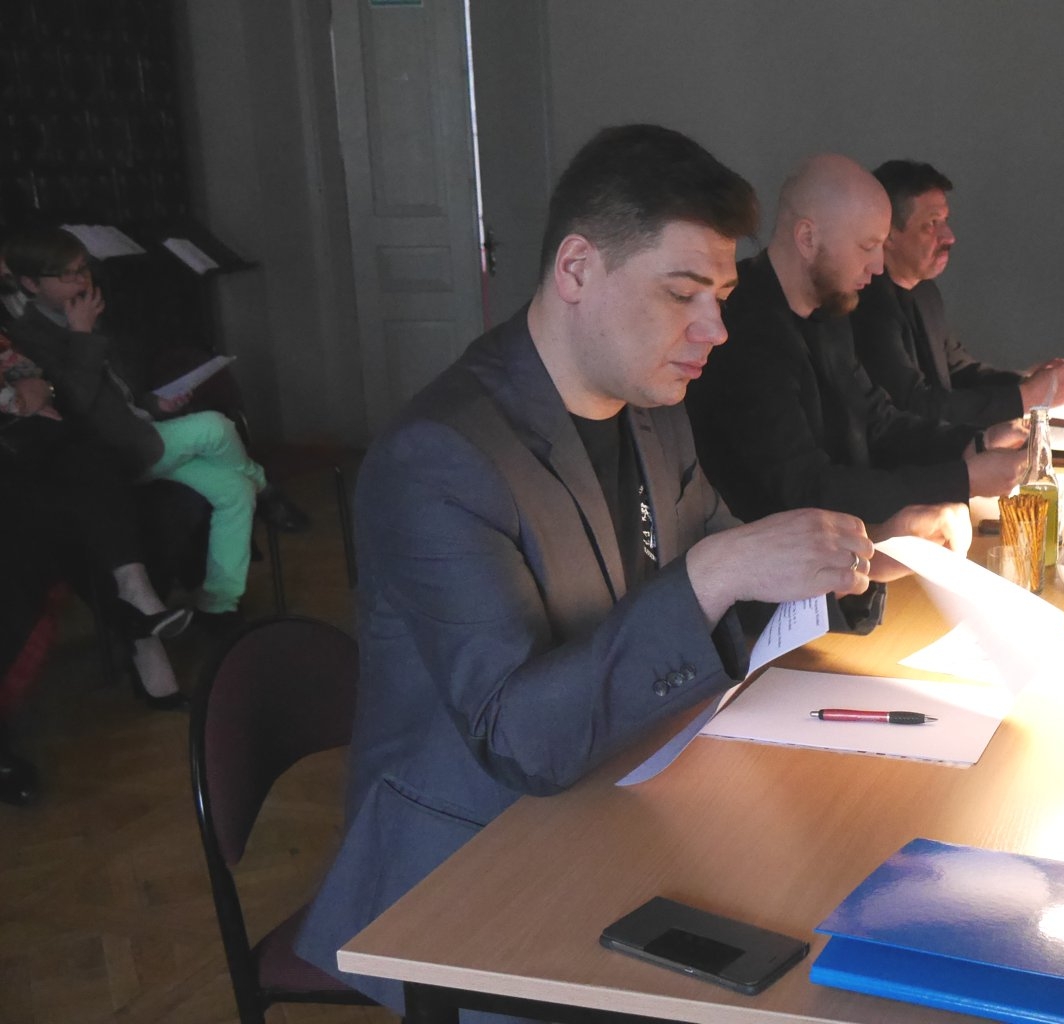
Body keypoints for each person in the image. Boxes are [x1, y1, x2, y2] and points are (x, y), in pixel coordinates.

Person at [294, 125, 965, 1013]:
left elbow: (733, 577)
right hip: (464, 865)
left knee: (838, 905)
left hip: (620, 775)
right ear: (577, 269)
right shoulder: (441, 457)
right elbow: (518, 739)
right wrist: (712, 574)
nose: (714, 330)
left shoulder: (649, 405)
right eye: (682, 293)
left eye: (722, 296)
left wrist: (867, 559)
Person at [687, 154, 1026, 524]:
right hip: (770, 549)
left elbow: (877, 421)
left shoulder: (829, 307)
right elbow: (805, 487)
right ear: (807, 238)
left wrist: (975, 443)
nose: (878, 266)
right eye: (867, 247)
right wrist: (962, 480)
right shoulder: (744, 329)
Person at [1, 227, 305, 627]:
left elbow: (120, 397)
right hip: (110, 456)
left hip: (142, 433)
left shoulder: (84, 315)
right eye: (67, 275)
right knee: (215, 427)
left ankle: (219, 604)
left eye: (83, 269)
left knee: (234, 490)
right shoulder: (28, 337)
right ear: (30, 284)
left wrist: (156, 404)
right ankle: (267, 489)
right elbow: (74, 404)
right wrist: (82, 335)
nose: (82, 281)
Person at [3, 329, 190, 708]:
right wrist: (18, 400)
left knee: (91, 466)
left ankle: (136, 592)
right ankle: (136, 619)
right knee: (68, 506)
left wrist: (38, 390)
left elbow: (35, 377)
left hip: (39, 444)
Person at [850, 160, 1064, 429]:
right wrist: (1028, 397)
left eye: (945, 221)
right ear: (888, 234)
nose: (949, 237)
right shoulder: (865, 305)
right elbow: (913, 404)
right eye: (932, 224)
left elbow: (959, 372)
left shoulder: (925, 292)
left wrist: (1032, 384)